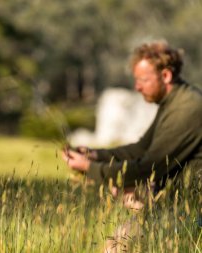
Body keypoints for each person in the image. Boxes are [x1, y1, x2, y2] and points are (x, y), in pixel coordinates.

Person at [63, 41, 202, 193]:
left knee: (127, 187)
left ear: (166, 75)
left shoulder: (187, 108)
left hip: (193, 209)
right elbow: (142, 149)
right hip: (180, 202)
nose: (137, 87)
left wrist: (89, 168)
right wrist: (95, 155)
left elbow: (149, 167)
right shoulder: (173, 101)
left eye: (143, 80)